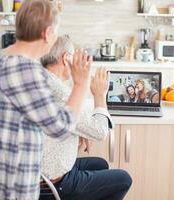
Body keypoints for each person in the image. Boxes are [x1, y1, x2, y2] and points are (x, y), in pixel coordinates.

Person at [0, 1, 92, 199]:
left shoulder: (2, 56)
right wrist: (81, 85)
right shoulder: (24, 71)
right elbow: (61, 127)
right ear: (48, 33)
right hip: (9, 180)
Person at [40, 36, 132, 200]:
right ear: (66, 58)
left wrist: (81, 128)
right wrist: (100, 96)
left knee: (100, 164)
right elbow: (99, 132)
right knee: (124, 179)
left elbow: (75, 109)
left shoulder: (46, 79)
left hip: (47, 170)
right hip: (53, 183)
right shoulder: (60, 94)